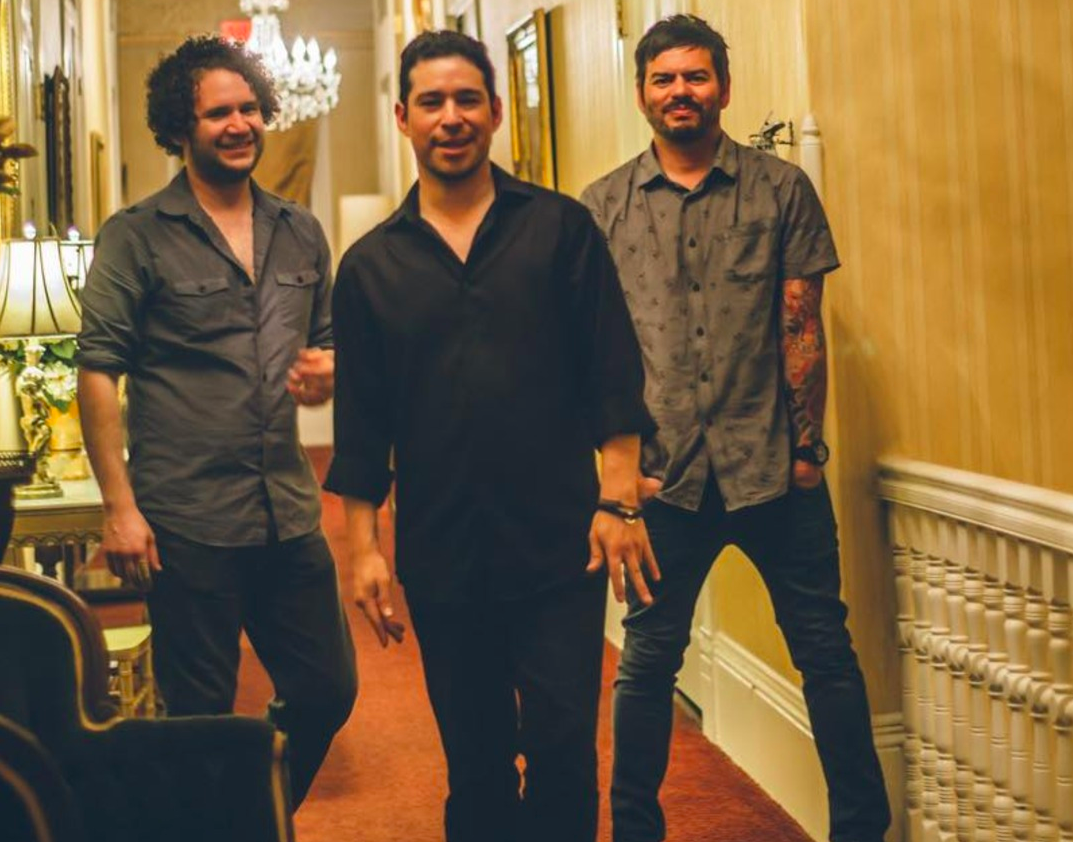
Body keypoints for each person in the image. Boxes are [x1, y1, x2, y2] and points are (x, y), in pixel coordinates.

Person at [325, 30, 657, 842]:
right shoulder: (369, 267)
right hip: (443, 552)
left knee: (563, 751)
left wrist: (619, 502)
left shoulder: (561, 229)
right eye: (432, 102)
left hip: (561, 546)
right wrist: (364, 551)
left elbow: (613, 374)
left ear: (497, 111)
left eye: (467, 99)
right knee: (474, 763)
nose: (452, 117)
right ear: (403, 117)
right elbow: (361, 423)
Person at [581, 14, 891, 842]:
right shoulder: (602, 208)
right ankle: (636, 831)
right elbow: (593, 352)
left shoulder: (781, 190)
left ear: (724, 85)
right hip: (662, 482)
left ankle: (862, 828)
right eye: (664, 78)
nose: (680, 91)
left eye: (696, 75)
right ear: (641, 93)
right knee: (648, 663)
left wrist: (806, 449)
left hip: (775, 473)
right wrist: (617, 477)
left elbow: (802, 324)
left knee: (825, 654)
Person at [76, 35, 356, 808]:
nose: (240, 125)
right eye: (218, 113)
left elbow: (329, 344)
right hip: (186, 519)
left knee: (327, 689)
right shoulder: (136, 234)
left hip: (287, 511)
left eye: (249, 109)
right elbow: (97, 368)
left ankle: (253, 813)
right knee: (197, 715)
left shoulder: (300, 230)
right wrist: (119, 507)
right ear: (181, 127)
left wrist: (329, 373)